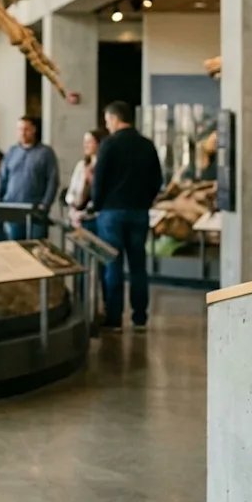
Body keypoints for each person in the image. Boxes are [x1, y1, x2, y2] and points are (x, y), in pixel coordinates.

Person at [90, 101, 163, 332]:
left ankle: (114, 318)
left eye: (107, 120)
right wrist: (145, 202)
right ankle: (139, 317)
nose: (107, 125)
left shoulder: (109, 144)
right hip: (139, 212)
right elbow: (157, 180)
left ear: (114, 119)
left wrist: (98, 205)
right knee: (138, 266)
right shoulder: (146, 145)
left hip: (112, 212)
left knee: (113, 265)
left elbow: (99, 180)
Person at [0, 116, 59, 240]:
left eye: (26, 129)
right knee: (14, 248)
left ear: (34, 130)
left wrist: (45, 204)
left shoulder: (45, 153)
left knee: (36, 247)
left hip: (35, 210)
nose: (22, 133)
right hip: (12, 209)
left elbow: (52, 180)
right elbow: (2, 178)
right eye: (19, 129)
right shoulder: (12, 152)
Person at [67, 128, 108, 234]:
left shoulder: (104, 166)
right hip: (77, 215)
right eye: (85, 142)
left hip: (95, 216)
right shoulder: (81, 166)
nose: (85, 145)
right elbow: (72, 191)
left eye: (89, 142)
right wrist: (73, 209)